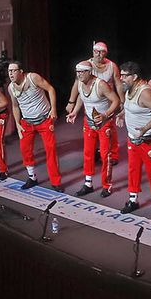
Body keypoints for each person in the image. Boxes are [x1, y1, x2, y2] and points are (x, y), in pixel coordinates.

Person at [116, 62, 151, 214]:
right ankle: (133, 200)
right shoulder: (129, 89)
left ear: (134, 77)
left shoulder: (145, 93)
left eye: (125, 75)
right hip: (133, 138)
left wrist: (145, 128)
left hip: (149, 140)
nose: (121, 78)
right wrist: (122, 114)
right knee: (133, 169)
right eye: (120, 75)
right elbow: (132, 108)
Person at [66, 61, 121, 198]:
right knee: (88, 153)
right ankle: (88, 183)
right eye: (77, 72)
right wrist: (75, 112)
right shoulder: (80, 83)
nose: (79, 75)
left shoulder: (101, 84)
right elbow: (81, 97)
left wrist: (105, 115)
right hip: (89, 122)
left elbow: (116, 101)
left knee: (105, 155)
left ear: (89, 72)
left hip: (104, 123)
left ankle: (107, 185)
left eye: (81, 72)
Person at [6, 60, 62, 191]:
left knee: (51, 149)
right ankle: (32, 177)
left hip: (44, 119)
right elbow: (15, 106)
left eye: (13, 70)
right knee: (25, 149)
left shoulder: (33, 78)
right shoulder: (11, 87)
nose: (11, 74)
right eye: (9, 71)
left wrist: (53, 109)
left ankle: (56, 181)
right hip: (27, 122)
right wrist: (17, 124)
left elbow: (50, 89)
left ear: (21, 72)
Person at [82, 42, 121, 163]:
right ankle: (95, 152)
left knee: (109, 129)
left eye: (102, 52)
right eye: (96, 51)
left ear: (106, 53)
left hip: (107, 102)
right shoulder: (86, 65)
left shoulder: (112, 66)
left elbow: (118, 83)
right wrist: (71, 102)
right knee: (92, 128)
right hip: (92, 100)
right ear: (93, 52)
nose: (98, 54)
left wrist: (122, 100)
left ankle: (113, 155)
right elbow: (78, 84)